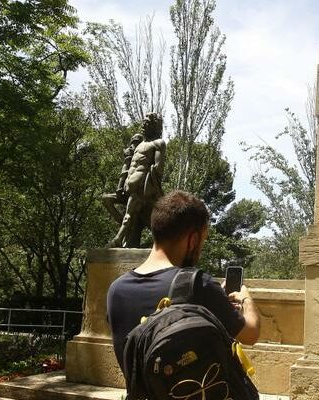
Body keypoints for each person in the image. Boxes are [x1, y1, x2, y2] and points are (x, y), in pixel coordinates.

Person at [106, 190, 261, 372]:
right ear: (193, 240)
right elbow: (251, 334)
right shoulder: (199, 285)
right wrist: (246, 299)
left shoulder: (116, 289)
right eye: (203, 240)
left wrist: (213, 294)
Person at [109, 113, 167, 248]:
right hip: (129, 184)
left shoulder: (158, 143)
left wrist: (150, 186)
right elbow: (129, 162)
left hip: (141, 184)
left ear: (153, 126)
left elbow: (158, 168)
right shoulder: (140, 143)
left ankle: (117, 240)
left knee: (129, 214)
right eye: (143, 123)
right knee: (108, 200)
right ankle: (124, 230)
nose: (143, 126)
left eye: (146, 123)